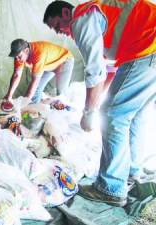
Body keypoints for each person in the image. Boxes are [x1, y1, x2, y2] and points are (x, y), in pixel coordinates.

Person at [43, 0, 156, 207]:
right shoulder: (100, 19)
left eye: (58, 25)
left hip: (147, 48)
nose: (61, 32)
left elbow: (95, 72)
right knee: (135, 114)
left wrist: (89, 112)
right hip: (149, 49)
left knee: (113, 117)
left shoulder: (81, 18)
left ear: (67, 12)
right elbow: (110, 72)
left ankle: (110, 188)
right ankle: (132, 171)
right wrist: (99, 100)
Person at [2, 39, 74, 110]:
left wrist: (24, 104)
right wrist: (9, 96)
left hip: (64, 60)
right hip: (48, 63)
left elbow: (34, 82)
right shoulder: (19, 55)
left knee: (61, 93)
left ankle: (65, 112)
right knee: (36, 90)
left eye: (19, 56)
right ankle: (34, 112)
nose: (17, 59)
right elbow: (16, 75)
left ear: (26, 51)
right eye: (15, 57)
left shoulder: (38, 54)